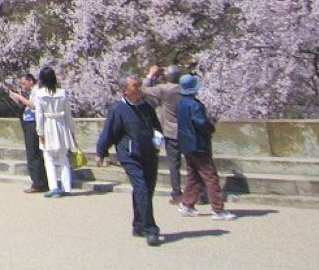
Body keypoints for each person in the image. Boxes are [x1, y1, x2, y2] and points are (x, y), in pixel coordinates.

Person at [95, 76, 163, 246]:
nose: (139, 87)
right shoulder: (118, 109)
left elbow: (157, 128)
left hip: (149, 153)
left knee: (147, 189)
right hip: (130, 155)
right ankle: (151, 228)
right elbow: (109, 132)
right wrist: (101, 152)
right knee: (141, 187)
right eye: (135, 85)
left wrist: (157, 142)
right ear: (125, 90)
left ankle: (138, 225)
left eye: (139, 84)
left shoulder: (147, 107)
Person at [176, 75, 235, 220]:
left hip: (186, 144)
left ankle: (187, 204)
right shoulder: (195, 105)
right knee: (210, 176)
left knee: (193, 175)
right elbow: (201, 124)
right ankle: (218, 209)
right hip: (198, 144)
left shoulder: (180, 103)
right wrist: (211, 124)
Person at [142, 64, 186, 204]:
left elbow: (144, 89)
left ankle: (177, 193)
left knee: (174, 164)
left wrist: (150, 75)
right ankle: (200, 193)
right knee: (193, 164)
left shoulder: (165, 89)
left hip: (171, 131)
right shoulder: (184, 89)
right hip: (187, 130)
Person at [33, 66, 78, 197]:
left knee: (49, 158)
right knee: (64, 157)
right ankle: (67, 187)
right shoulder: (62, 93)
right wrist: (71, 130)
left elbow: (39, 115)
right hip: (61, 125)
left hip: (48, 126)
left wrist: (40, 132)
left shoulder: (40, 94)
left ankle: (53, 187)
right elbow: (68, 114)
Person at [8, 73, 48, 193]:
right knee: (34, 153)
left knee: (33, 153)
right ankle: (41, 181)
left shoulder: (37, 91)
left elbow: (34, 106)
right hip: (28, 122)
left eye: (24, 83)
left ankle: (38, 183)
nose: (23, 86)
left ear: (31, 81)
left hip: (32, 123)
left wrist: (20, 98)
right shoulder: (33, 92)